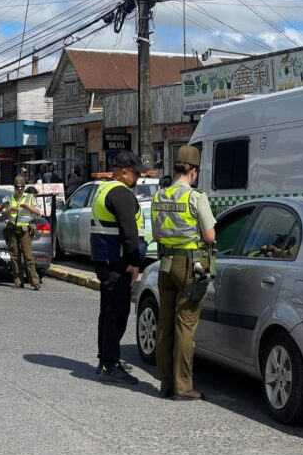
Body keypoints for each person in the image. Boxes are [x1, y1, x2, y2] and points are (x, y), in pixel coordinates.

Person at [151, 145, 216, 401]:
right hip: (189, 266)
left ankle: (166, 383)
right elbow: (210, 236)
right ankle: (183, 386)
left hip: (165, 265)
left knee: (164, 326)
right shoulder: (196, 197)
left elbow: (156, 235)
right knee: (185, 327)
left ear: (175, 167)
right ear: (194, 172)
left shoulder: (159, 196)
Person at [90, 150, 147, 385]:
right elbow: (129, 232)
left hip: (105, 259)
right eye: (135, 174)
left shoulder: (103, 188)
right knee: (117, 313)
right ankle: (110, 365)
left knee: (108, 311)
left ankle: (106, 359)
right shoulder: (121, 193)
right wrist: (135, 263)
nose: (137, 178)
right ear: (124, 172)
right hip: (117, 262)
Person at [2, 176, 42, 290]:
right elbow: (3, 213)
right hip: (12, 229)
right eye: (17, 187)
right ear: (14, 187)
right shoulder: (8, 198)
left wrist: (27, 207)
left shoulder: (30, 197)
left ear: (24, 187)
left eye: (21, 187)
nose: (19, 190)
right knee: (14, 256)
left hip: (25, 230)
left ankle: (35, 282)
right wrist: (10, 209)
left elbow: (38, 212)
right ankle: (18, 281)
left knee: (28, 256)